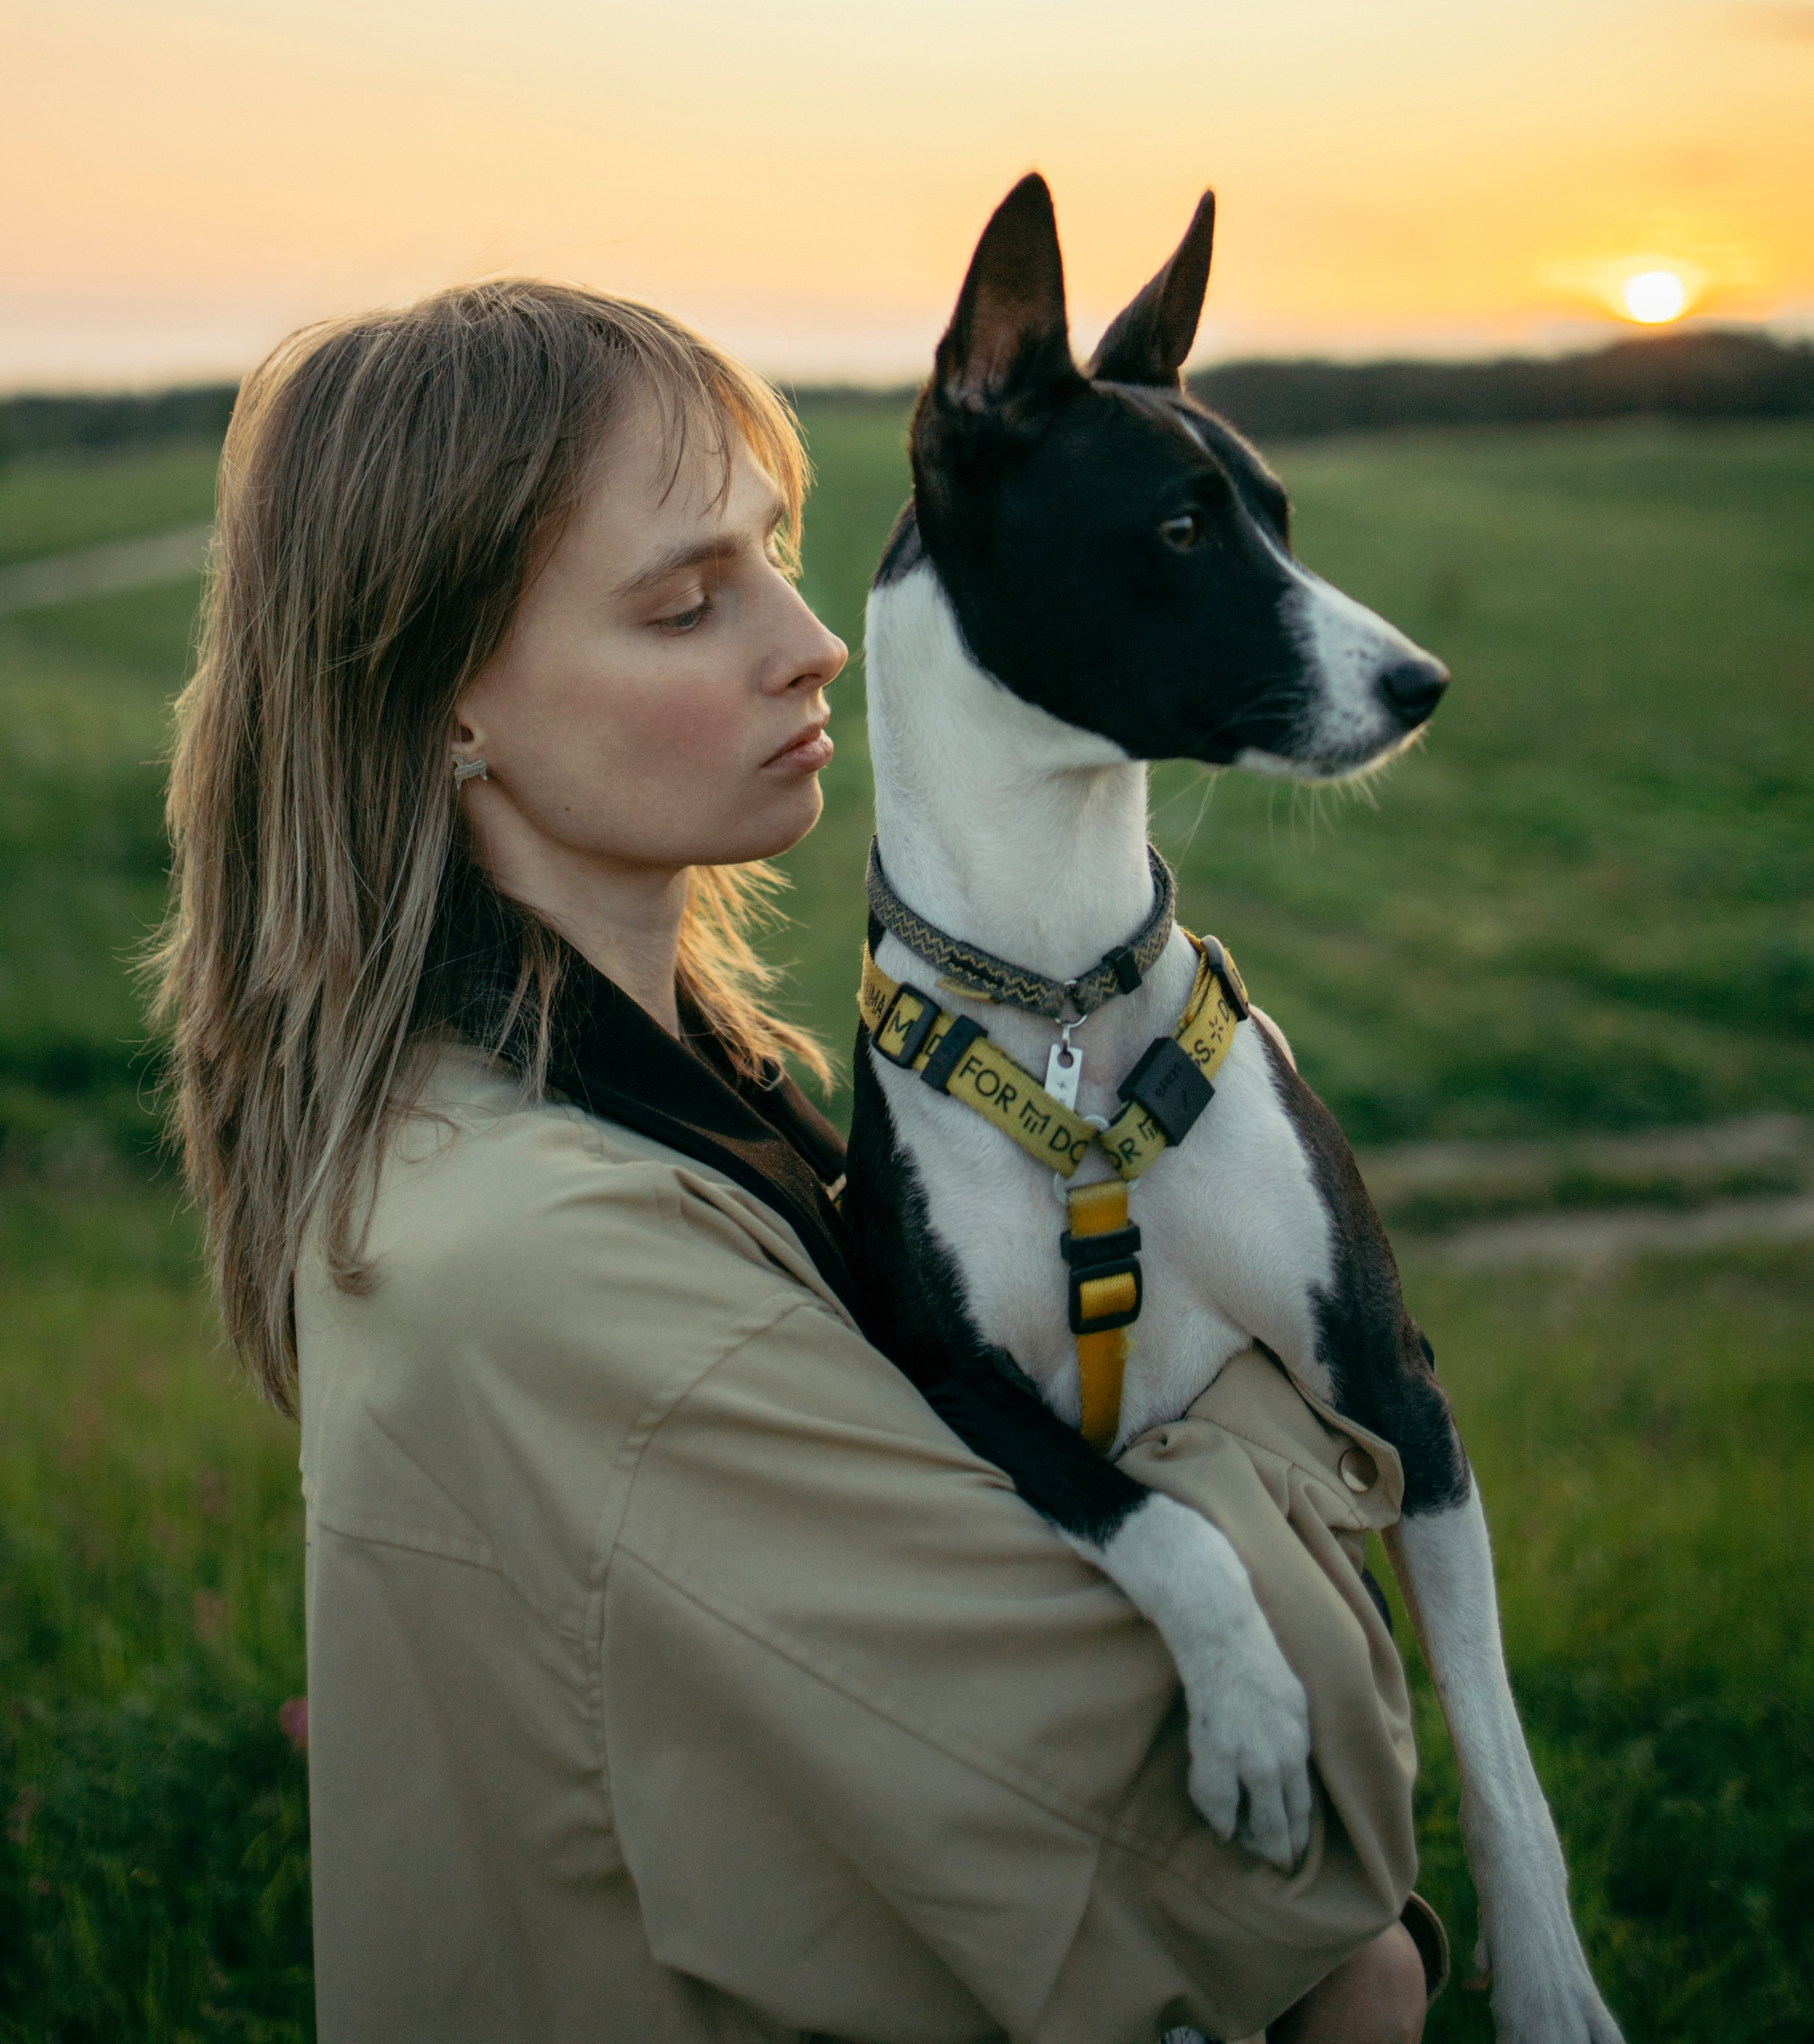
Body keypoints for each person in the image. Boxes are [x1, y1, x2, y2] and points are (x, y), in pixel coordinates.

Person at [155, 280, 1440, 2044]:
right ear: (442, 706)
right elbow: (1286, 1864)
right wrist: (1283, 1339)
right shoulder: (557, 1262)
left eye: (772, 552)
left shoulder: (673, 1093)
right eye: (687, 604)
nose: (812, 639)